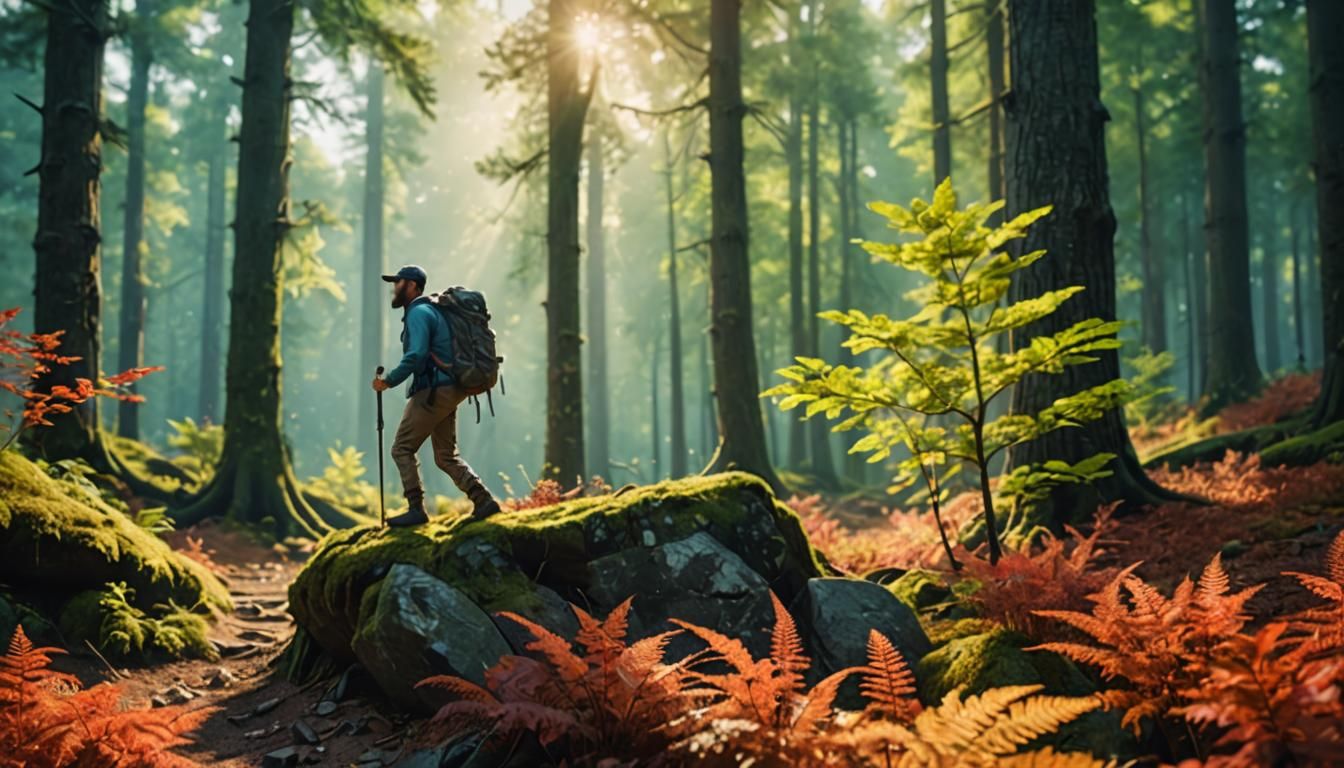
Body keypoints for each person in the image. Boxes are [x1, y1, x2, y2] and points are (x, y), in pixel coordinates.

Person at [371, 265, 501, 527]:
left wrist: (389, 381)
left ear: (413, 286)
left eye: (399, 282)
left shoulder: (419, 312)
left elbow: (416, 355)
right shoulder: (432, 311)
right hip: (450, 390)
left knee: (401, 449)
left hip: (433, 391)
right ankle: (484, 501)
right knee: (445, 455)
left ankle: (416, 509)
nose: (394, 287)